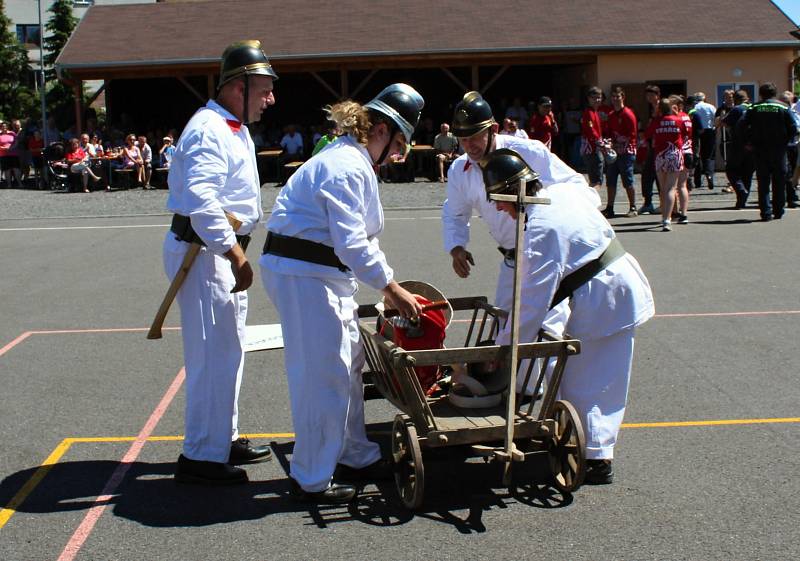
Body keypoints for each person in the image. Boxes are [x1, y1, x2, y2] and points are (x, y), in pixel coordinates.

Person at [260, 83, 425, 504]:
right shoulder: (347, 166)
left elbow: (353, 243)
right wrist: (391, 288)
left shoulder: (346, 159)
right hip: (307, 277)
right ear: (383, 130)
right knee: (323, 377)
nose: (400, 154)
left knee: (346, 366)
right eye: (400, 142)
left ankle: (355, 453)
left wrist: (385, 281)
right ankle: (311, 478)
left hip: (318, 274)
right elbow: (352, 242)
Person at [479, 148, 654, 484]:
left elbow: (532, 303)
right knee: (583, 377)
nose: (499, 209)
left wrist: (501, 352)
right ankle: (585, 445)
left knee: (593, 381)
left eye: (498, 200)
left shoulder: (541, 230)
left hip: (607, 297)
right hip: (607, 289)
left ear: (512, 192)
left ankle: (596, 459)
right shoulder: (558, 193)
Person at [163, 39, 277, 485]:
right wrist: (234, 254)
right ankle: (200, 459)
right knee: (211, 355)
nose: (271, 98)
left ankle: (221, 439)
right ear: (237, 86)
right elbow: (202, 201)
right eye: (264, 89)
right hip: (206, 253)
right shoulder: (209, 129)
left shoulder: (231, 126)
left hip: (219, 253)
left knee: (227, 351)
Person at [442, 91, 585, 395]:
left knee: (545, 330)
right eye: (462, 139)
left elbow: (574, 184)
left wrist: (556, 222)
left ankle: (549, 405)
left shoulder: (527, 151)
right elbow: (454, 213)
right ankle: (520, 394)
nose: (469, 146)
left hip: (547, 255)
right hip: (511, 258)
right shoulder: (459, 170)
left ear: (492, 129)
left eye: (475, 137)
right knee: (506, 325)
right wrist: (457, 247)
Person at [742, 82, 798, 221]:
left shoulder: (754, 107)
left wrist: (748, 142)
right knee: (779, 181)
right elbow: (793, 127)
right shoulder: (783, 107)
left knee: (763, 181)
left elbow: (741, 125)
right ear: (774, 93)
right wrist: (788, 142)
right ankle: (778, 210)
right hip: (779, 149)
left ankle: (765, 212)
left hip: (759, 149)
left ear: (761, 94)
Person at [645, 98, 688, 231]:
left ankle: (664, 217)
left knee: (663, 188)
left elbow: (647, 134)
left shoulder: (656, 122)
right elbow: (685, 134)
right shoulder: (678, 120)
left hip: (660, 155)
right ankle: (667, 220)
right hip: (675, 154)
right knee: (671, 188)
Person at [603, 87, 638, 217]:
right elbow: (609, 133)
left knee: (627, 180)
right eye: (613, 97)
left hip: (627, 152)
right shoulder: (611, 115)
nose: (615, 99)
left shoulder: (628, 114)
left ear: (623, 97)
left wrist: (619, 144)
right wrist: (608, 143)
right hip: (614, 153)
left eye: (618, 96)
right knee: (610, 180)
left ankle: (633, 207)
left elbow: (632, 135)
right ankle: (610, 207)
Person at [723, 89, 754, 209]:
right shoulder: (754, 108)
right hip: (753, 145)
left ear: (735, 100)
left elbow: (725, 123)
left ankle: (741, 191)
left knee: (731, 170)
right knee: (748, 173)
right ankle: (742, 202)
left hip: (738, 144)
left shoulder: (737, 109)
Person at [639, 84, 661, 214]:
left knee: (658, 175)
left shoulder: (660, 108)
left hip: (659, 146)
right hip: (651, 145)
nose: (649, 97)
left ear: (657, 95)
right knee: (647, 174)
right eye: (647, 95)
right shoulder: (649, 108)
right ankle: (648, 202)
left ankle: (663, 203)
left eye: (651, 94)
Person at [580, 86, 605, 190]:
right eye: (594, 98)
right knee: (596, 180)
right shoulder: (589, 113)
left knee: (595, 179)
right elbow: (591, 131)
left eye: (599, 97)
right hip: (591, 149)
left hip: (594, 148)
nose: (597, 100)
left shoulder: (595, 112)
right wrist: (600, 142)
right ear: (589, 99)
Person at [692, 92, 717, 190]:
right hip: (709, 131)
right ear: (704, 98)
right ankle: (709, 175)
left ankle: (697, 180)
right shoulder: (710, 106)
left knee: (697, 154)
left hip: (697, 131)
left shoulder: (694, 108)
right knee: (709, 155)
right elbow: (715, 118)